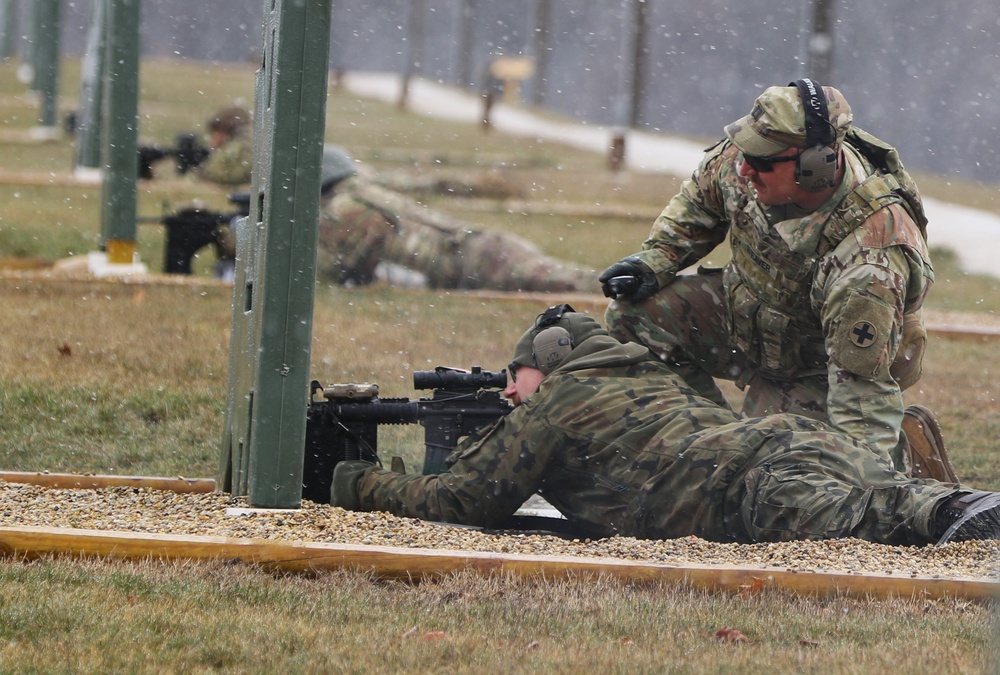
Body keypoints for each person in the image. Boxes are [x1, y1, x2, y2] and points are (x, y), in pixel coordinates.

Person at [328, 305, 1000, 546]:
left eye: (517, 373)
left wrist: (355, 479)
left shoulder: (560, 403)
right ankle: (927, 485)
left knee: (878, 516)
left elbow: (462, 501)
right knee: (867, 489)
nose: (508, 389)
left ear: (553, 359)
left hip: (742, 485)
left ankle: (946, 503)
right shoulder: (649, 375)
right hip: (787, 439)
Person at [597, 79, 955, 483]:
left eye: (763, 161)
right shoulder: (750, 160)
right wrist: (656, 260)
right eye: (748, 154)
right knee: (636, 315)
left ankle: (906, 459)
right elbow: (700, 201)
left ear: (815, 166)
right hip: (750, 322)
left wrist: (863, 490)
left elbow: (860, 397)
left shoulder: (868, 255)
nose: (747, 168)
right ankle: (704, 444)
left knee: (781, 478)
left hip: (820, 367)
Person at [316, 146, 601, 294]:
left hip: (471, 262)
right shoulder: (361, 192)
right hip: (477, 248)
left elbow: (346, 268)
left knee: (574, 282)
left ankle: (632, 285)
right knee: (567, 277)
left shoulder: (344, 208)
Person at [194, 105, 254, 187]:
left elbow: (224, 175)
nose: (213, 137)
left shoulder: (240, 147)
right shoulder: (245, 142)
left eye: (216, 131)